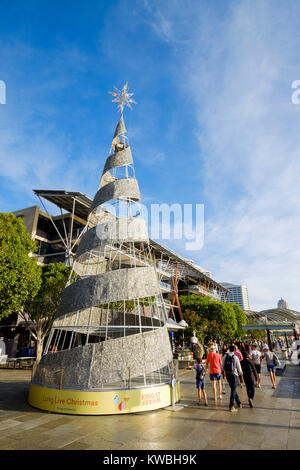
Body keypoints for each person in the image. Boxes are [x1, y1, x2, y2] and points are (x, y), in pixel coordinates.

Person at [222, 344, 244, 412]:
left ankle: (239, 402)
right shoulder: (235, 357)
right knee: (233, 389)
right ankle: (231, 406)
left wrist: (224, 375)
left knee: (233, 389)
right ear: (234, 350)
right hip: (234, 375)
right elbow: (239, 369)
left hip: (228, 374)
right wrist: (241, 378)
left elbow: (222, 367)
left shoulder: (225, 356)